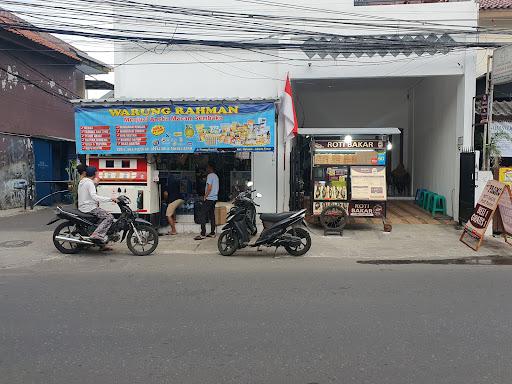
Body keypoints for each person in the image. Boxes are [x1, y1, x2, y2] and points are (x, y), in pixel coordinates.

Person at [78, 166, 117, 243]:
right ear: (94, 173)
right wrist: (110, 199)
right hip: (90, 208)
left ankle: (100, 242)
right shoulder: (90, 183)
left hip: (83, 207)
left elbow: (88, 192)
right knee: (109, 217)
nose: (97, 174)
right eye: (96, 172)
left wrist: (95, 184)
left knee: (102, 218)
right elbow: (94, 196)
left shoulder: (83, 181)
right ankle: (96, 234)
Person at [194, 161, 219, 240]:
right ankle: (212, 232)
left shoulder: (210, 176)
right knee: (212, 215)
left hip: (209, 198)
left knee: (202, 214)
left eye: (207, 167)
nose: (206, 169)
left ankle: (203, 233)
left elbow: (209, 187)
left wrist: (205, 196)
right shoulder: (216, 176)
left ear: (210, 168)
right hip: (214, 198)